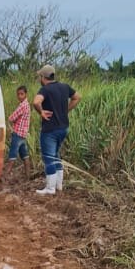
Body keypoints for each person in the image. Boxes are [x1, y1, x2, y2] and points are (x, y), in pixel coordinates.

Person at [32, 65, 80, 195]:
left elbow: (36, 102)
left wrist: (41, 112)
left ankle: (50, 188)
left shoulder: (45, 89)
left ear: (43, 77)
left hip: (50, 130)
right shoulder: (64, 87)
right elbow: (77, 97)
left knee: (48, 158)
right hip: (63, 128)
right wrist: (66, 110)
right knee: (56, 156)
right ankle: (58, 186)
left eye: (40, 76)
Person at [2, 85, 32, 182]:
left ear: (25, 94)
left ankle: (4, 177)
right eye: (18, 94)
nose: (19, 96)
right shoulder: (27, 105)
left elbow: (11, 118)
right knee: (25, 156)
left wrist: (12, 121)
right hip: (23, 135)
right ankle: (28, 177)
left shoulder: (22, 106)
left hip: (18, 134)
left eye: (21, 94)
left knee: (12, 156)